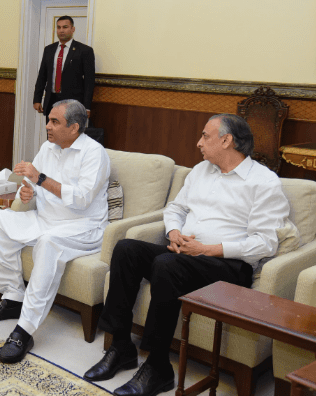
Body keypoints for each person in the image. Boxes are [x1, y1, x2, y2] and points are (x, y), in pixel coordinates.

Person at [84, 114, 290, 396]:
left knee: (166, 264)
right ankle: (121, 347)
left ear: (226, 140)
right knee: (126, 249)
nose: (198, 143)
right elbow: (176, 209)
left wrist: (206, 249)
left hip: (228, 266)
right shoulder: (201, 171)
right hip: (186, 256)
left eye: (205, 136)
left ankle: (158, 366)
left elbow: (265, 244)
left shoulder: (264, 182)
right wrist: (174, 233)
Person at [0, 99, 111, 363]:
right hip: (45, 219)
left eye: (54, 121)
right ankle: (13, 298)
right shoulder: (48, 147)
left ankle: (24, 330)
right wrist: (27, 192)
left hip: (83, 228)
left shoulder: (94, 154)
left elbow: (81, 199)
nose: (47, 126)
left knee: (49, 242)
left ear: (74, 128)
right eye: (48, 120)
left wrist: (39, 179)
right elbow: (31, 185)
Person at [33, 15, 95, 119]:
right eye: (59, 27)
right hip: (51, 100)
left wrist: (87, 106)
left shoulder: (84, 50)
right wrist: (37, 99)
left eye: (65, 27)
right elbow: (42, 76)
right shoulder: (49, 49)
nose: (61, 30)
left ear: (72, 29)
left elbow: (89, 81)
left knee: (70, 129)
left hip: (73, 103)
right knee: (52, 128)